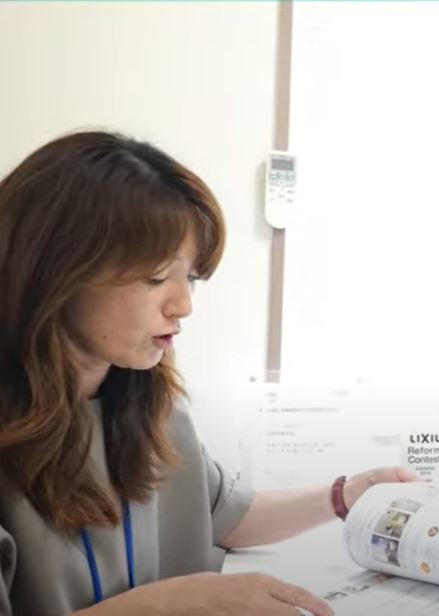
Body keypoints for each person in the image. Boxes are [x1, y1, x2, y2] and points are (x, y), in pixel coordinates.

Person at [0, 131, 415, 616]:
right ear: (52, 270)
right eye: (156, 277)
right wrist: (173, 603)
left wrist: (345, 496)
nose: (183, 305)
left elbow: (226, 515)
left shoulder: (153, 405)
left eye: (191, 278)